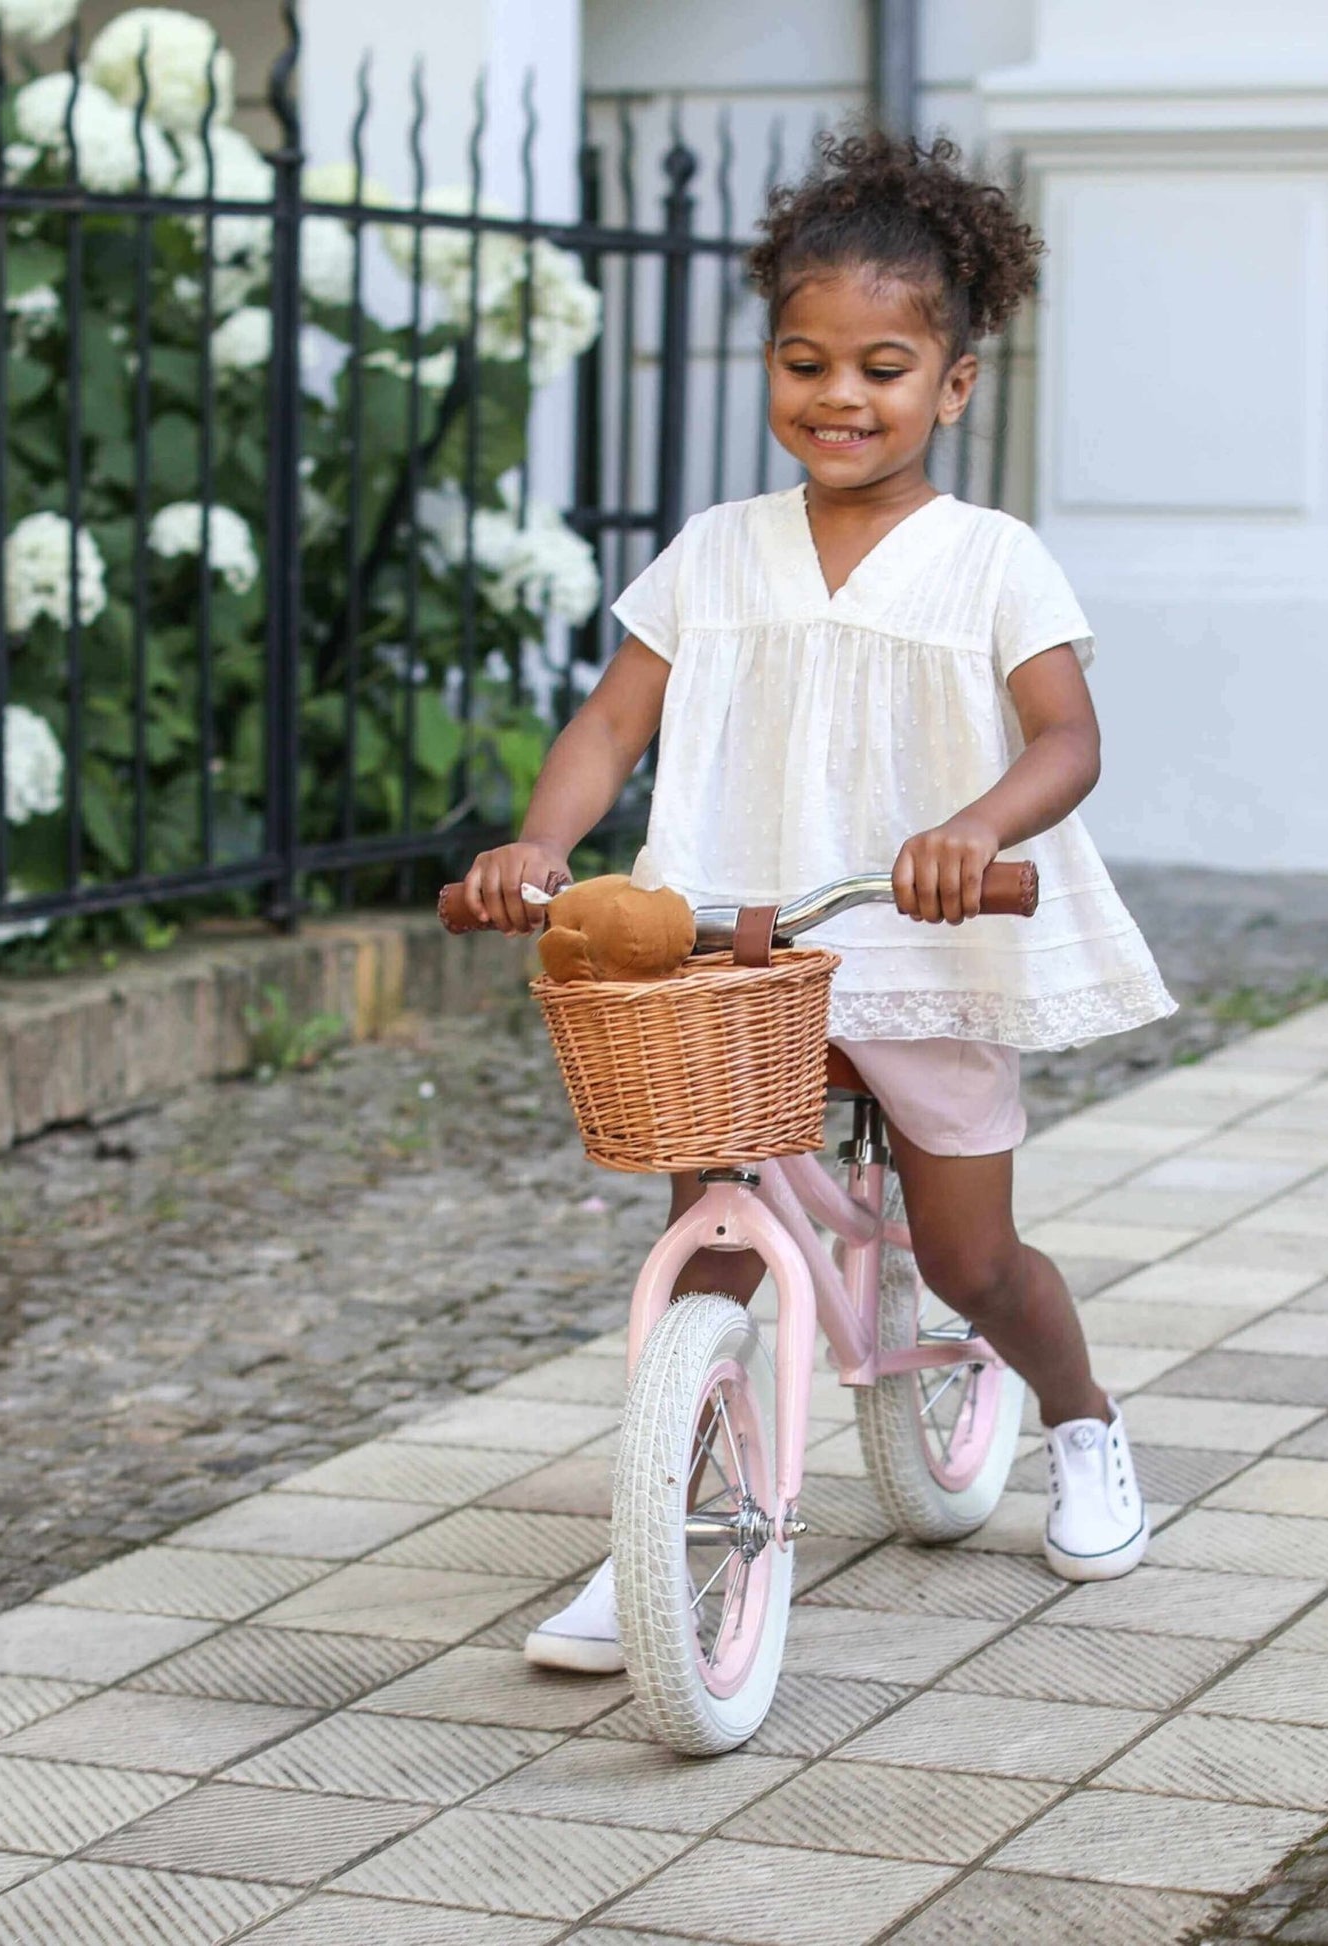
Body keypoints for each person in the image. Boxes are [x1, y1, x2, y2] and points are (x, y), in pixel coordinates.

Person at [459, 128, 1176, 1676]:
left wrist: (968, 823)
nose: (838, 397)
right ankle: (659, 1529)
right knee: (707, 1245)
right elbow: (604, 728)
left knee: (972, 1260)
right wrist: (538, 844)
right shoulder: (717, 551)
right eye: (803, 361)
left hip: (918, 943)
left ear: (955, 385)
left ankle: (1084, 1422)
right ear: (770, 367)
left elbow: (1068, 738)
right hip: (733, 950)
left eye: (883, 366)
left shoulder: (992, 562)